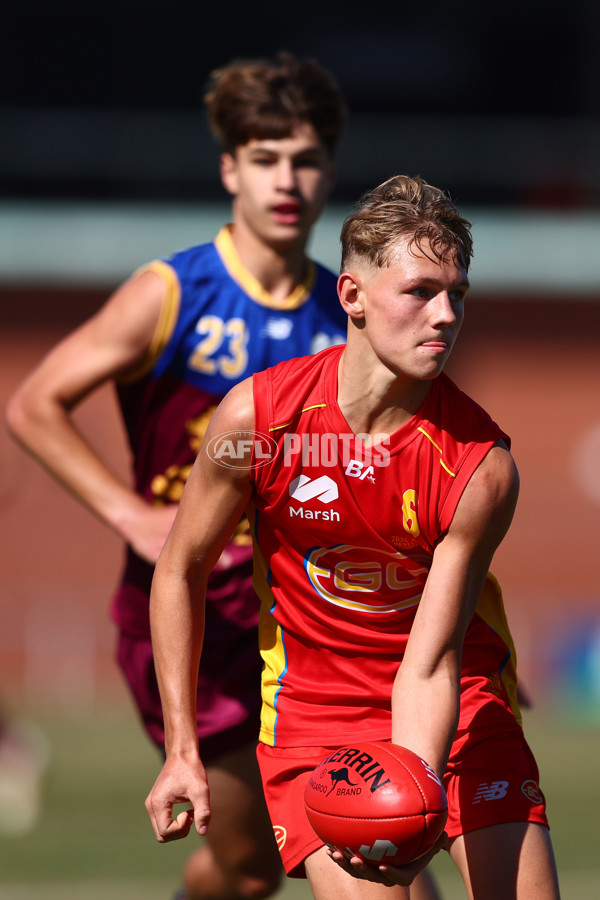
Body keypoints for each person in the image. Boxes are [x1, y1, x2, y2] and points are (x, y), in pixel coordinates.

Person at [143, 174, 561, 900]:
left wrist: (419, 793)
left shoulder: (481, 469)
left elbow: (430, 666)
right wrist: (182, 748)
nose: (444, 315)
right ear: (351, 296)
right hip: (316, 722)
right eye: (420, 291)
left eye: (457, 294)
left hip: (459, 708)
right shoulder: (257, 423)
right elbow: (182, 569)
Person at [6, 51, 351, 900]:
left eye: (304, 159)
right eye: (265, 158)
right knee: (250, 873)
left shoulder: (344, 312)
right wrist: (128, 514)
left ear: (328, 170)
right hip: (193, 622)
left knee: (363, 838)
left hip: (306, 625)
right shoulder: (173, 293)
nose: (287, 181)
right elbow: (33, 404)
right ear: (230, 167)